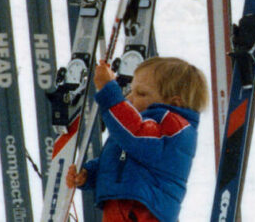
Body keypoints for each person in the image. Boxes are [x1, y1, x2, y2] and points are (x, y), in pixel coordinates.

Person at [65, 57, 209, 222]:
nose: (129, 98)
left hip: (145, 212)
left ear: (174, 103)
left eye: (141, 93)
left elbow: (136, 136)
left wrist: (109, 91)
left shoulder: (174, 127)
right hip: (122, 209)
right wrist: (89, 174)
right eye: (131, 91)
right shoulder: (141, 129)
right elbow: (121, 161)